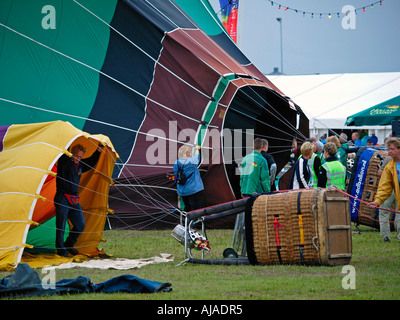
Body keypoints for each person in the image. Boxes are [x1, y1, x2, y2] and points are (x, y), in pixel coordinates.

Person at [55, 143, 103, 257]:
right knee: (61, 225)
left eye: (80, 157)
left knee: (80, 224)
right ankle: (61, 250)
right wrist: (66, 140)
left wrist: (99, 149)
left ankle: (69, 244)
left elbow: (91, 162)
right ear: (71, 153)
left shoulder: (80, 165)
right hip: (62, 197)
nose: (77, 159)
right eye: (76, 156)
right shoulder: (64, 162)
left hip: (73, 199)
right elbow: (63, 152)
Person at [367, 138, 400, 242]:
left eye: (392, 149)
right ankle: (387, 236)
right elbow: (385, 186)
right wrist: (377, 201)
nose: (389, 151)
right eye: (388, 149)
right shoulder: (390, 165)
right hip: (395, 191)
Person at [173, 145, 204, 212]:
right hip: (193, 190)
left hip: (183, 191)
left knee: (187, 208)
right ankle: (194, 222)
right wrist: (197, 149)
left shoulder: (176, 163)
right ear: (185, 153)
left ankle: (187, 221)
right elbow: (197, 157)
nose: (190, 153)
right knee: (196, 211)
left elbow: (176, 173)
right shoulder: (191, 161)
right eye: (189, 152)